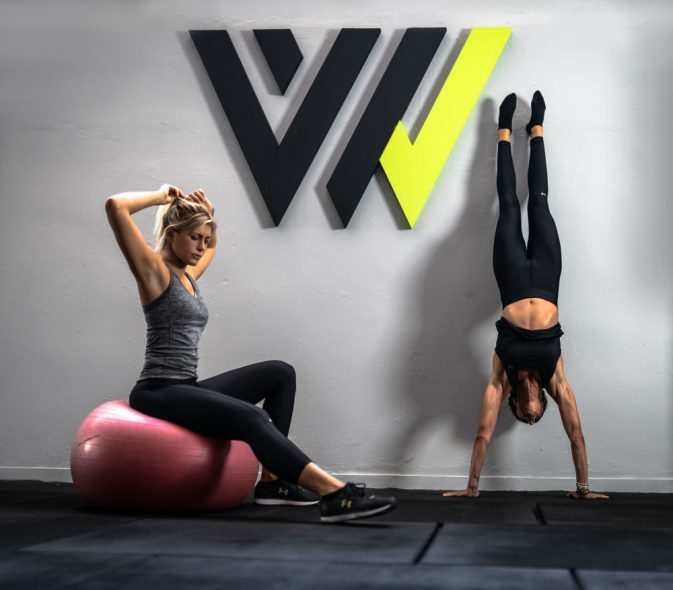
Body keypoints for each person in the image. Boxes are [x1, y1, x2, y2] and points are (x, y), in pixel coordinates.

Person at [104, 184, 396, 522]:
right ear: (172, 234)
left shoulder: (189, 275)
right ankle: (334, 494)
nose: (202, 246)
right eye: (195, 238)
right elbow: (115, 206)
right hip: (158, 390)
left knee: (280, 373)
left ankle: (274, 484)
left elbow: (213, 245)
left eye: (204, 238)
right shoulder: (154, 272)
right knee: (253, 417)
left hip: (185, 385)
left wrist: (210, 216)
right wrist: (160, 196)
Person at [443, 92, 608, 500]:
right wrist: (583, 488)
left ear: (515, 406)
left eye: (524, 418)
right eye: (536, 419)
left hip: (513, 278)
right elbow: (576, 433)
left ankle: (503, 131)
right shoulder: (556, 379)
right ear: (542, 407)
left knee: (508, 206)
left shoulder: (501, 380)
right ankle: (536, 129)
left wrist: (472, 488)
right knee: (539, 203)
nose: (532, 419)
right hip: (548, 276)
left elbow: (483, 433)